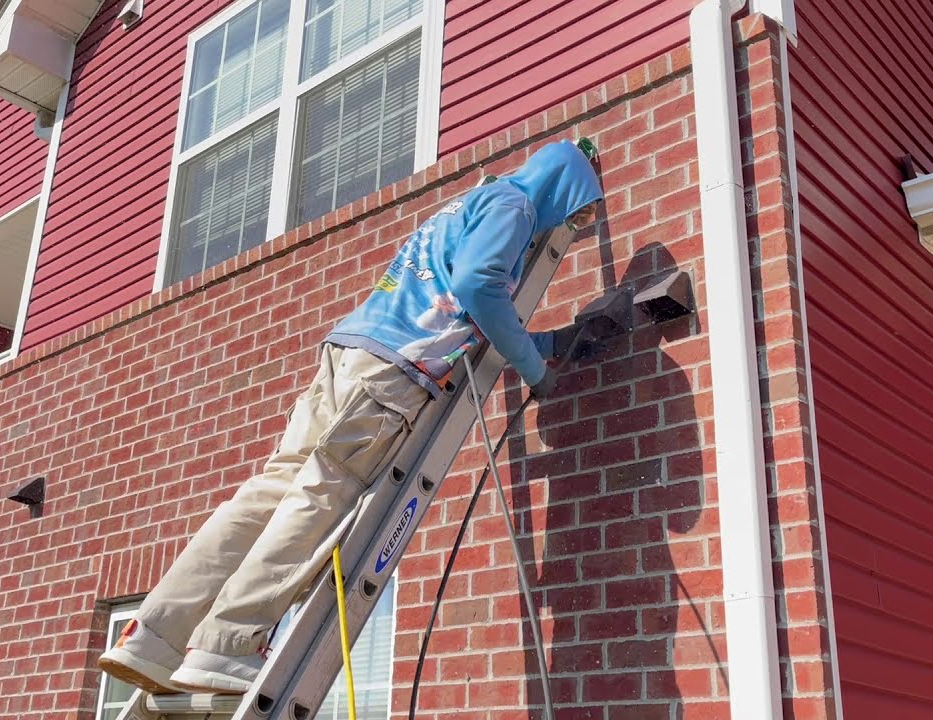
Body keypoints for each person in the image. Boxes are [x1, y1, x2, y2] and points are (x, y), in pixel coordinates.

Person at [98, 139, 607, 695]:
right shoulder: (517, 207)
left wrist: (546, 341)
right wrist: (535, 370)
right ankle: (228, 643)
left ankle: (154, 636)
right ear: (564, 190)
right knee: (324, 491)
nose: (572, 220)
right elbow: (478, 285)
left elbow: (450, 301)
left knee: (271, 491)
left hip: (351, 352)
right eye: (579, 209)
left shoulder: (472, 202)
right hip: (393, 375)